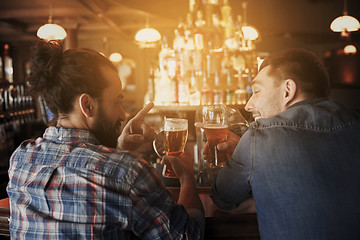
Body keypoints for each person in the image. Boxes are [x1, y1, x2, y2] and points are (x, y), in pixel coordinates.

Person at [7, 40, 204, 239]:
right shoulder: (129, 173)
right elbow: (189, 235)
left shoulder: (21, 159)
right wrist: (187, 177)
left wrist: (120, 152)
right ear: (88, 105)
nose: (122, 114)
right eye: (117, 101)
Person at [209, 48, 360, 239]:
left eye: (256, 91)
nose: (248, 105)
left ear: (288, 90)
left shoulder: (259, 135)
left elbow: (222, 199)